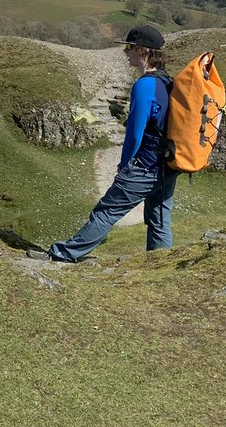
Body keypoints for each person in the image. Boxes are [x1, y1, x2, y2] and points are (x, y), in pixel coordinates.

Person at [31, 24, 179, 263]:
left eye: (130, 48)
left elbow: (135, 133)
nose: (126, 53)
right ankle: (159, 264)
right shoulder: (166, 81)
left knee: (106, 211)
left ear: (143, 51)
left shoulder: (145, 85)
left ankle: (64, 255)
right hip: (167, 164)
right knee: (159, 216)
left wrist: (125, 164)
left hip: (144, 166)